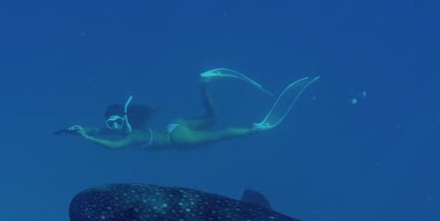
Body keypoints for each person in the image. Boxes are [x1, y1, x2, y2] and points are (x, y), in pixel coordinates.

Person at [56, 69, 319, 152]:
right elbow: (98, 129)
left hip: (177, 139)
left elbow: (114, 146)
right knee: (213, 118)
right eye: (110, 125)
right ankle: (204, 85)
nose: (112, 128)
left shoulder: (133, 135)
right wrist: (78, 131)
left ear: (122, 118)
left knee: (220, 134)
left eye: (115, 123)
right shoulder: (126, 126)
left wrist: (90, 139)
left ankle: (257, 128)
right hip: (175, 124)